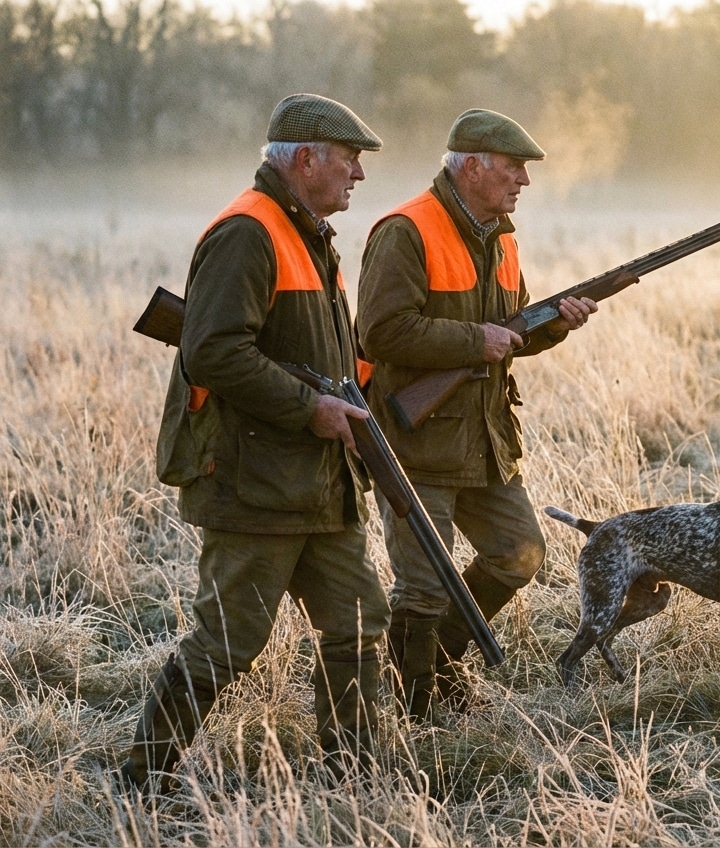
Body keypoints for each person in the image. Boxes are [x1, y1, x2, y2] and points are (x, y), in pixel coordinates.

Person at [120, 93, 391, 792]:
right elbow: (211, 352)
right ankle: (139, 784)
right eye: (349, 159)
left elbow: (325, 354)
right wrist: (311, 409)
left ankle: (356, 776)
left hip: (318, 480)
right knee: (228, 642)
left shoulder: (308, 234)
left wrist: (360, 408)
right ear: (306, 159)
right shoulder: (249, 231)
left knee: (360, 619)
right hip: (253, 479)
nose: (358, 175)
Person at [356, 108, 597, 721]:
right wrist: (473, 342)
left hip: (486, 440)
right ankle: (418, 717)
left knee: (521, 553)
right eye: (512, 167)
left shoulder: (502, 236)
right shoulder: (406, 230)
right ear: (470, 166)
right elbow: (380, 333)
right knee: (422, 586)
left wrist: (557, 325)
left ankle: (440, 656)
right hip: (417, 444)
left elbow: (508, 334)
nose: (523, 180)